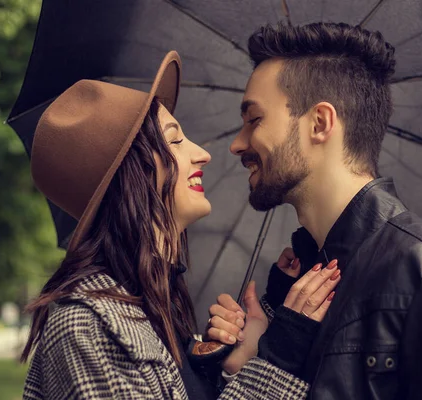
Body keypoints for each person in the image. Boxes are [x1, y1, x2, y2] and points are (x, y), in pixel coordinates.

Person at [216, 22, 422, 399]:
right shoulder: (298, 287)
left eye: (253, 120)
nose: (237, 144)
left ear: (320, 123)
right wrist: (261, 361)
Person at [20, 51, 341, 400]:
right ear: (131, 173)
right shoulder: (88, 326)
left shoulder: (158, 307)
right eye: (174, 140)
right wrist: (282, 352)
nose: (202, 153)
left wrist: (223, 365)